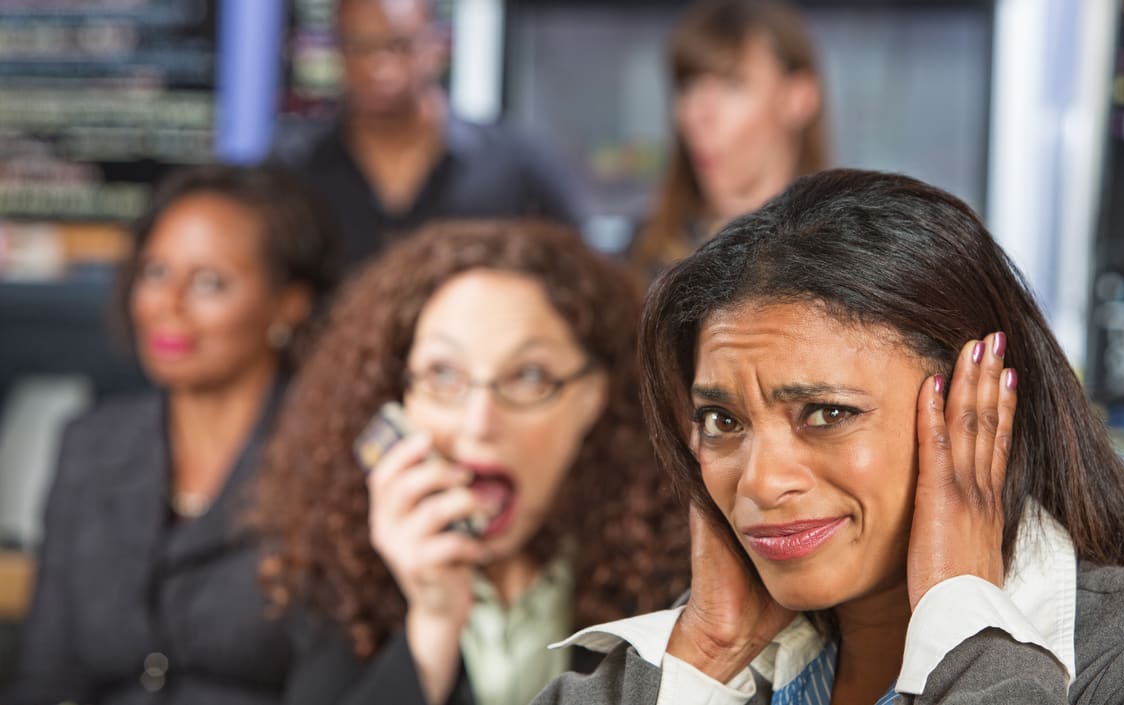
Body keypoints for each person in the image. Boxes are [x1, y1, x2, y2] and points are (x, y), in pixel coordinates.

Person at [536, 168, 1124, 704]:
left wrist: (966, 625)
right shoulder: (659, 677)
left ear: (982, 405)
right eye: (724, 421)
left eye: (826, 412)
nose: (757, 480)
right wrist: (705, 657)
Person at [252, 220, 689, 704]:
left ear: (593, 397)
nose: (479, 421)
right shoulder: (339, 569)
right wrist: (432, 624)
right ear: (397, 397)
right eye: (443, 374)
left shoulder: (667, 577)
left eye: (528, 375)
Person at [5, 165, 341, 705]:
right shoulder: (91, 445)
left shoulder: (334, 465)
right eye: (155, 272)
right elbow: (45, 676)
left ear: (290, 304)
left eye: (210, 283)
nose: (169, 303)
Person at [280, 0, 583, 271]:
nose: (378, 65)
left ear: (438, 46)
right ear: (337, 49)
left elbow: (576, 270)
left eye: (398, 45)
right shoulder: (295, 171)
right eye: (358, 46)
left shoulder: (515, 163)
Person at [630, 0, 826, 279]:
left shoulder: (845, 258)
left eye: (731, 85)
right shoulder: (645, 255)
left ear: (799, 98)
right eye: (689, 86)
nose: (699, 113)